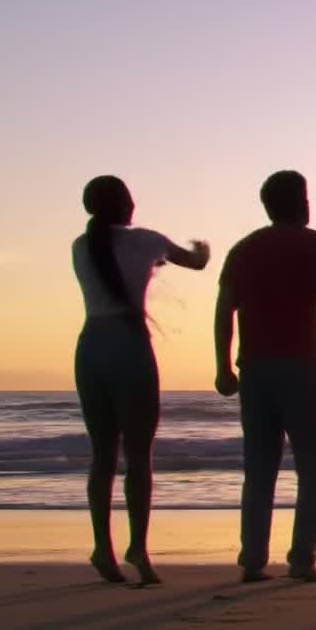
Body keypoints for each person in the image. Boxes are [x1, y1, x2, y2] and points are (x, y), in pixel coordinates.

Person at [214, 170, 316, 583]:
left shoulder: (244, 249)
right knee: (313, 467)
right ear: (300, 202)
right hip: (301, 367)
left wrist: (222, 365)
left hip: (256, 369)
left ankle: (251, 558)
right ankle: (302, 559)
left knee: (260, 468)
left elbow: (224, 309)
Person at [72, 175, 211, 584]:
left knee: (102, 455)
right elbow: (196, 262)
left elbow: (119, 266)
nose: (135, 206)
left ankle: (102, 546)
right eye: (130, 200)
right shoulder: (147, 240)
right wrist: (203, 248)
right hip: (130, 345)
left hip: (91, 345)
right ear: (121, 205)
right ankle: (139, 549)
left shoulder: (81, 246)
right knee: (138, 455)